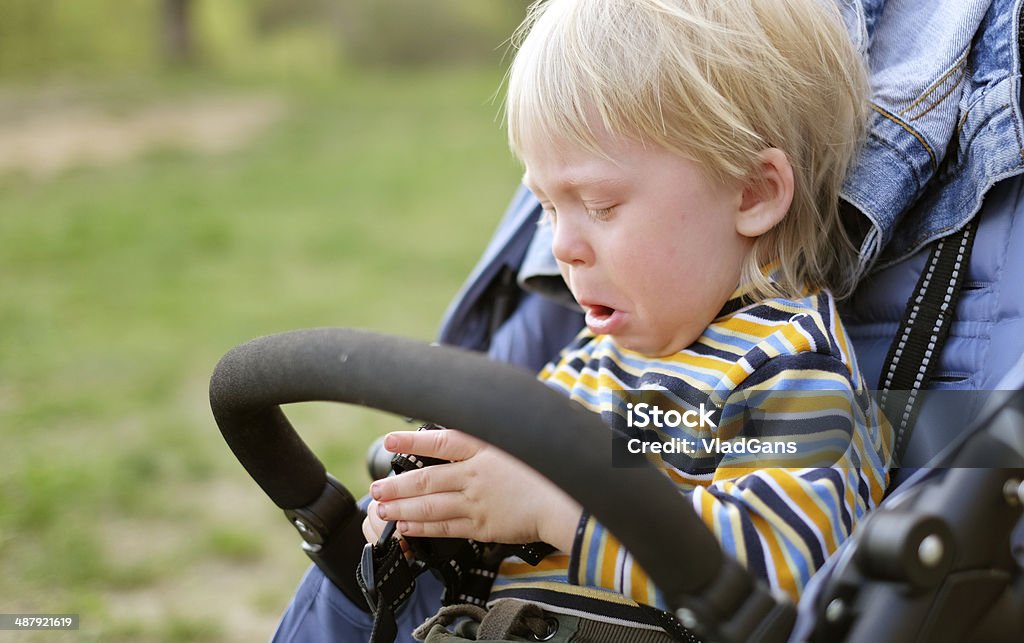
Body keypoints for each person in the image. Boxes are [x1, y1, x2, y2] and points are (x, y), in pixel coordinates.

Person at [275, 0, 892, 640]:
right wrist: (442, 513)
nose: (562, 247)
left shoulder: (791, 369)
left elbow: (776, 570)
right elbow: (512, 502)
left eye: (598, 205)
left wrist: (553, 513)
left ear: (754, 193)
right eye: (546, 208)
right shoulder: (595, 355)